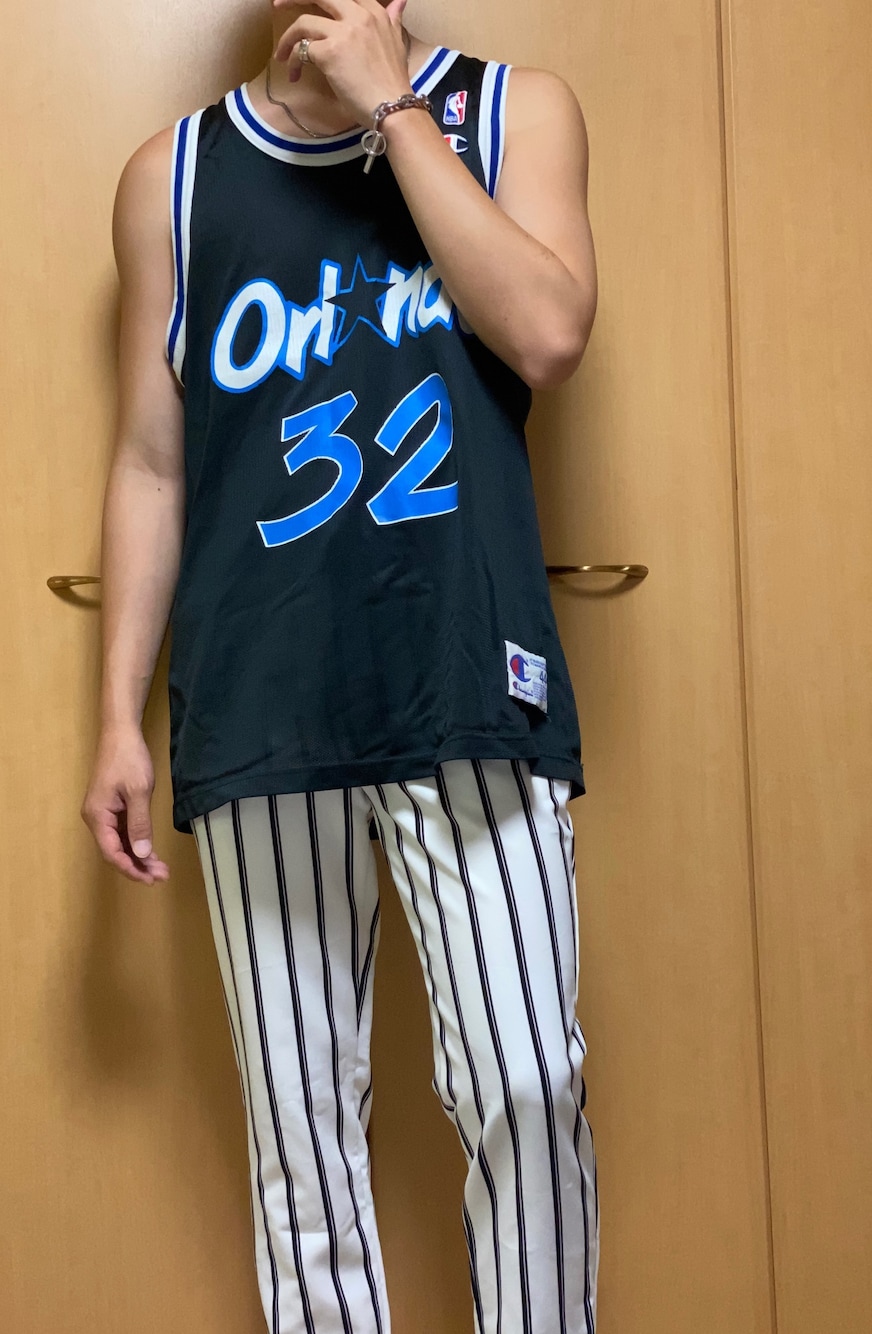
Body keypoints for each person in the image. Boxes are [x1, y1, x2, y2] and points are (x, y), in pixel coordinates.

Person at [82, 0, 599, 1329]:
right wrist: (119, 718)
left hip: (467, 676)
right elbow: (151, 460)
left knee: (528, 1082)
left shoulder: (513, 111)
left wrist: (393, 110)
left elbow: (548, 332)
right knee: (301, 1134)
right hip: (262, 694)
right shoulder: (173, 178)